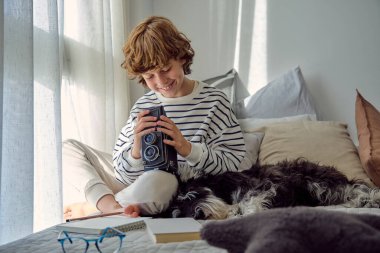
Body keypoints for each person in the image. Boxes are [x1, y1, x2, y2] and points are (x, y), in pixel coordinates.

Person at [63, 16, 248, 219]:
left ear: (182, 58)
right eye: (149, 76)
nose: (160, 81)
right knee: (68, 149)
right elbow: (122, 174)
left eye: (165, 69)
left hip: (172, 184)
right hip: (135, 181)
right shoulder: (143, 106)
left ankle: (103, 205)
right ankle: (112, 206)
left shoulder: (215, 101)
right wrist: (135, 150)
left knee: (160, 180)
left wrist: (188, 149)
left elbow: (235, 164)